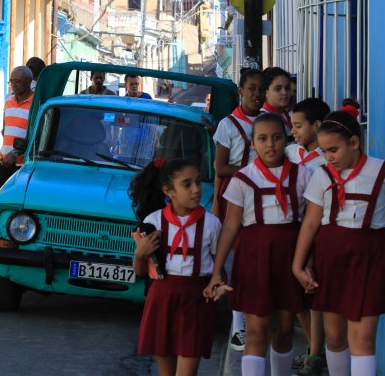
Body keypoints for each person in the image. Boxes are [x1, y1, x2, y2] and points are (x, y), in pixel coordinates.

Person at [292, 111, 385, 376]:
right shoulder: (322, 175)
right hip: (330, 258)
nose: (328, 157)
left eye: (333, 150)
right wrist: (298, 265)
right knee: (336, 337)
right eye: (324, 151)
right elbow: (311, 223)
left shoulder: (383, 171)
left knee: (363, 339)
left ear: (354, 142)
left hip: (370, 258)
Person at [205, 113, 311, 376]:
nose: (270, 144)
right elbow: (231, 227)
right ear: (253, 144)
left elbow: (311, 223)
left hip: (290, 256)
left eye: (276, 138)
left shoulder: (303, 176)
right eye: (262, 139)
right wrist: (217, 270)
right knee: (256, 330)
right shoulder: (243, 179)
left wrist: (308, 261)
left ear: (286, 140)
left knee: (284, 329)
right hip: (255, 258)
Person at [129, 158, 222, 376]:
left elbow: (218, 267)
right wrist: (139, 254)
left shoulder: (212, 224)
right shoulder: (153, 222)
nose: (196, 190)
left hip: (196, 300)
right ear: (168, 191)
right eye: (186, 184)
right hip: (162, 298)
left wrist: (217, 284)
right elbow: (141, 271)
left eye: (198, 182)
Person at [211, 68, 264, 351]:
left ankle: (255, 316)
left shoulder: (269, 121)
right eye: (251, 89)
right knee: (238, 258)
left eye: (261, 89)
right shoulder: (228, 124)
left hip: (263, 198)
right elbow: (220, 167)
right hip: (236, 197)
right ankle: (238, 325)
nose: (257, 94)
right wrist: (252, 172)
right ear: (241, 91)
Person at [285, 97, 331, 376]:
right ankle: (315, 348)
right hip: (294, 230)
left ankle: (317, 353)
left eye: (298, 126)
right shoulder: (290, 152)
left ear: (317, 125)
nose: (293, 131)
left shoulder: (329, 158)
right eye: (292, 125)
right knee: (298, 296)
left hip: (320, 230)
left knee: (315, 292)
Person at [0, 66, 33, 200]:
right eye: (11, 81)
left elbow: (36, 136)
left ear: (29, 81)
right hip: (3, 161)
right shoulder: (8, 99)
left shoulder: (36, 104)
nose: (14, 85)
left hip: (21, 166)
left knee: (15, 204)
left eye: (18, 81)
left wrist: (16, 153)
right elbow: (5, 128)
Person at [261, 67, 294, 141]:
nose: (284, 92)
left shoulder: (287, 115)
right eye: (278, 89)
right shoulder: (263, 119)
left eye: (287, 88)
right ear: (266, 92)